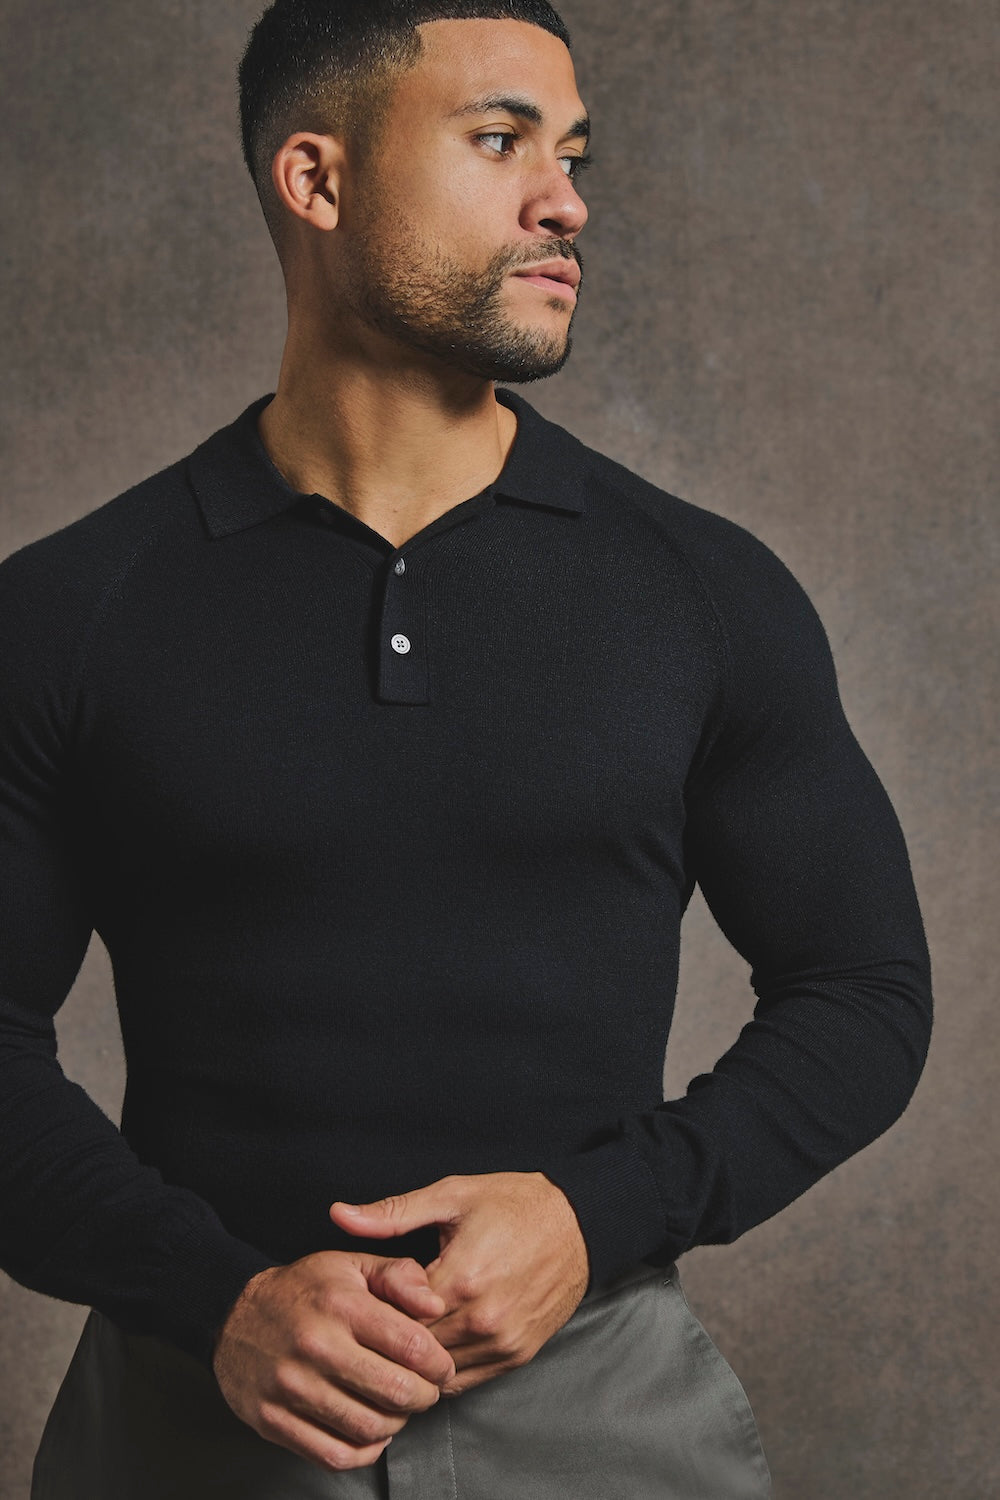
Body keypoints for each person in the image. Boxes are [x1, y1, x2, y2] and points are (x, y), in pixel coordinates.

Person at [0, 1, 932, 1496]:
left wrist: (595, 1215)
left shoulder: (703, 592)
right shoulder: (72, 611)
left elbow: (865, 990)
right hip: (193, 1418)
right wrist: (215, 1297)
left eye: (572, 154)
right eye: (500, 141)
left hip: (606, 1414)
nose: (567, 200)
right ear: (318, 180)